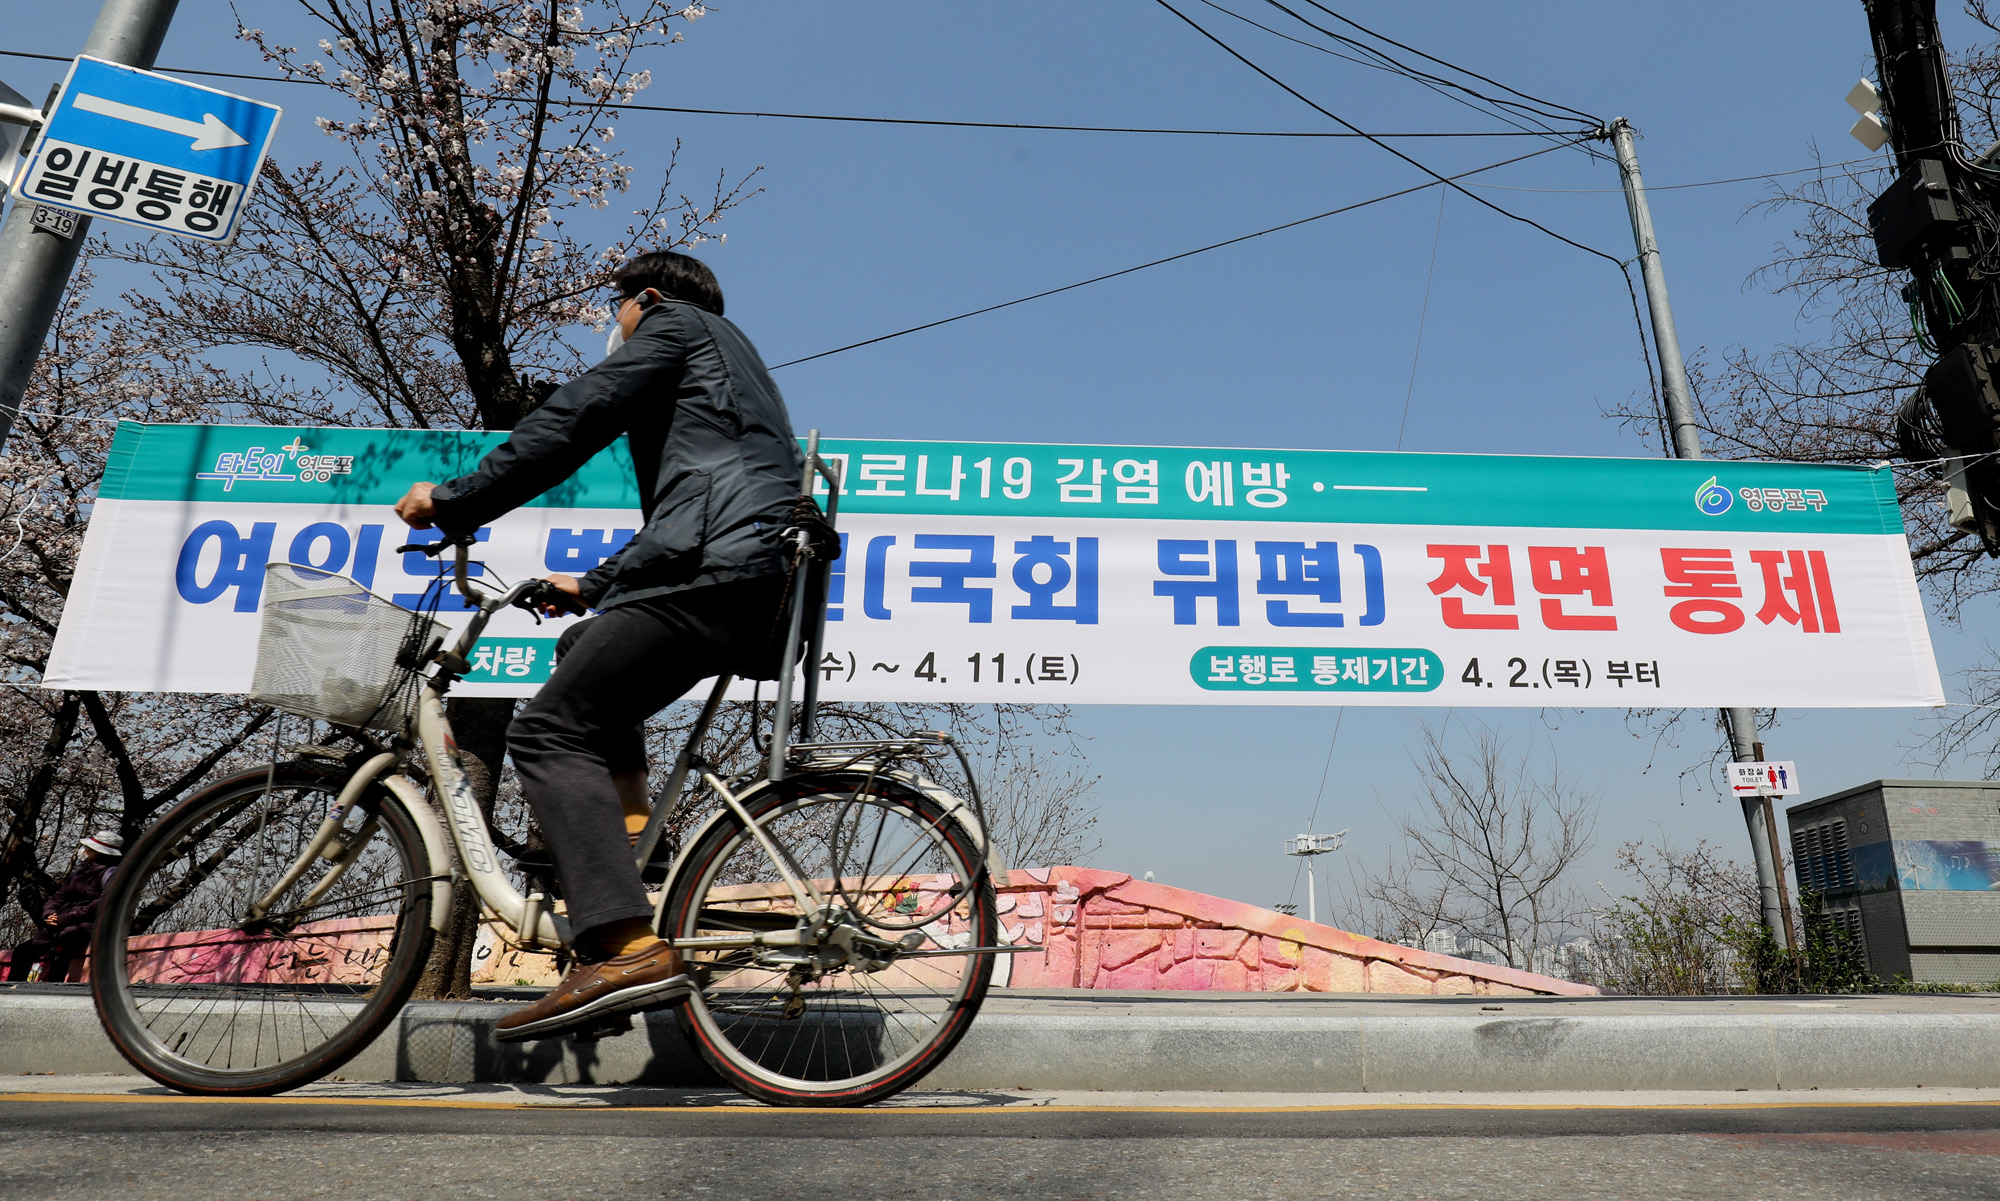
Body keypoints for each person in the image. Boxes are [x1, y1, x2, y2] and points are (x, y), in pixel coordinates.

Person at [394, 250, 806, 1042]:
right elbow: (705, 493)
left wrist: (455, 500)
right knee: (587, 645)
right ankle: (630, 844)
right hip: (745, 567)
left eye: (613, 309)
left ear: (642, 298)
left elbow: (574, 418)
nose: (610, 328)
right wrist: (595, 582)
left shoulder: (673, 324)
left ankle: (623, 943)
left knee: (548, 730)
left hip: (719, 568)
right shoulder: (732, 358)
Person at [5, 831, 122, 983]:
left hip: (85, 925)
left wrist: (67, 917)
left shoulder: (111, 873)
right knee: (23, 951)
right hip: (61, 923)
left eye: (89, 848)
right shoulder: (80, 872)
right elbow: (60, 895)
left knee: (62, 945)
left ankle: (56, 986)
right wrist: (49, 913)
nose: (84, 851)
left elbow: (103, 903)